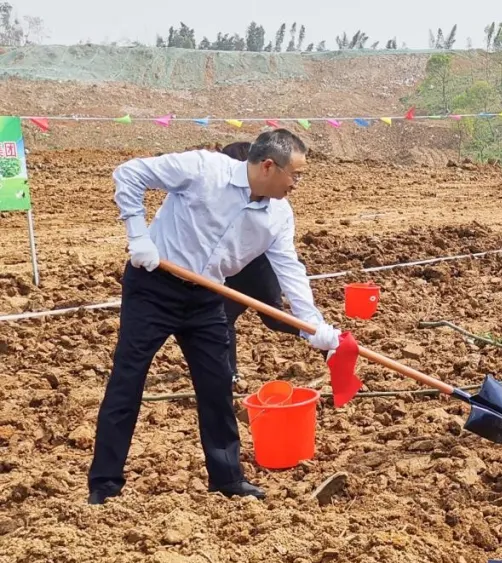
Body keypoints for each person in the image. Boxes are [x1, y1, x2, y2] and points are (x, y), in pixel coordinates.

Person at [88, 129, 340, 505]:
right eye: (296, 175)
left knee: (217, 385)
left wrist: (312, 324)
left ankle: (227, 479)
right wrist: (138, 236)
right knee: (128, 379)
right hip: (153, 287)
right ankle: (105, 484)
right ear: (269, 166)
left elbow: (290, 268)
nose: (297, 184)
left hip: (207, 296)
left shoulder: (279, 216)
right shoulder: (204, 169)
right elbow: (129, 173)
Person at [218, 141, 306, 383]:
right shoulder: (222, 194)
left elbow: (288, 262)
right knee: (223, 317)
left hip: (260, 266)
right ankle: (230, 374)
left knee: (274, 318)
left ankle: (318, 337)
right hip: (235, 268)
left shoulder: (275, 207)